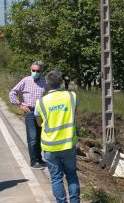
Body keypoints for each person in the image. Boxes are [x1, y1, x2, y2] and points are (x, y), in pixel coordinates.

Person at [36, 70, 80, 203]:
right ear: (61, 82)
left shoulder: (41, 102)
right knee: (71, 175)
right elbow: (74, 114)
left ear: (47, 84)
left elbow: (39, 123)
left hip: (50, 146)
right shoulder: (72, 96)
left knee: (56, 178)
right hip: (68, 145)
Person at [9, 61, 47, 169]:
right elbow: (13, 92)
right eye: (33, 70)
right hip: (30, 112)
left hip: (41, 113)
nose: (35, 72)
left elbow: (50, 94)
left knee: (40, 137)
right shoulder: (26, 80)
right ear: (30, 70)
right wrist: (20, 105)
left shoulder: (44, 81)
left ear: (41, 71)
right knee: (32, 137)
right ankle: (34, 161)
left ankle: (39, 159)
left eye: (37, 71)